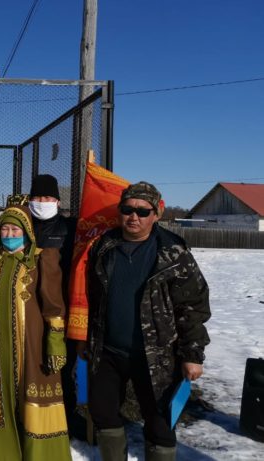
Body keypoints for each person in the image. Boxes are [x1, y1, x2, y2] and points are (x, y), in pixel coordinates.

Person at [76, 181, 211, 461]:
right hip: (109, 350)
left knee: (160, 422)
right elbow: (91, 295)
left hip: (156, 354)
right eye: (127, 209)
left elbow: (193, 307)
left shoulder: (173, 253)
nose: (134, 216)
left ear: (156, 214)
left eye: (142, 211)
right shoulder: (104, 246)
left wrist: (192, 354)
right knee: (102, 412)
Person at [0, 202, 72, 461]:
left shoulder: (41, 259)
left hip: (32, 346)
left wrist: (55, 341)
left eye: (16, 231)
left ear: (26, 232)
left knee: (33, 398)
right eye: (5, 231)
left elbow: (54, 304)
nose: (10, 236)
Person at [28, 174, 78, 427]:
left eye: (47, 197)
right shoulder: (22, 225)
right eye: (36, 197)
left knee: (62, 364)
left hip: (62, 306)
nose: (41, 202)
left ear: (57, 201)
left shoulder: (71, 229)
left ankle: (66, 416)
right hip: (28, 307)